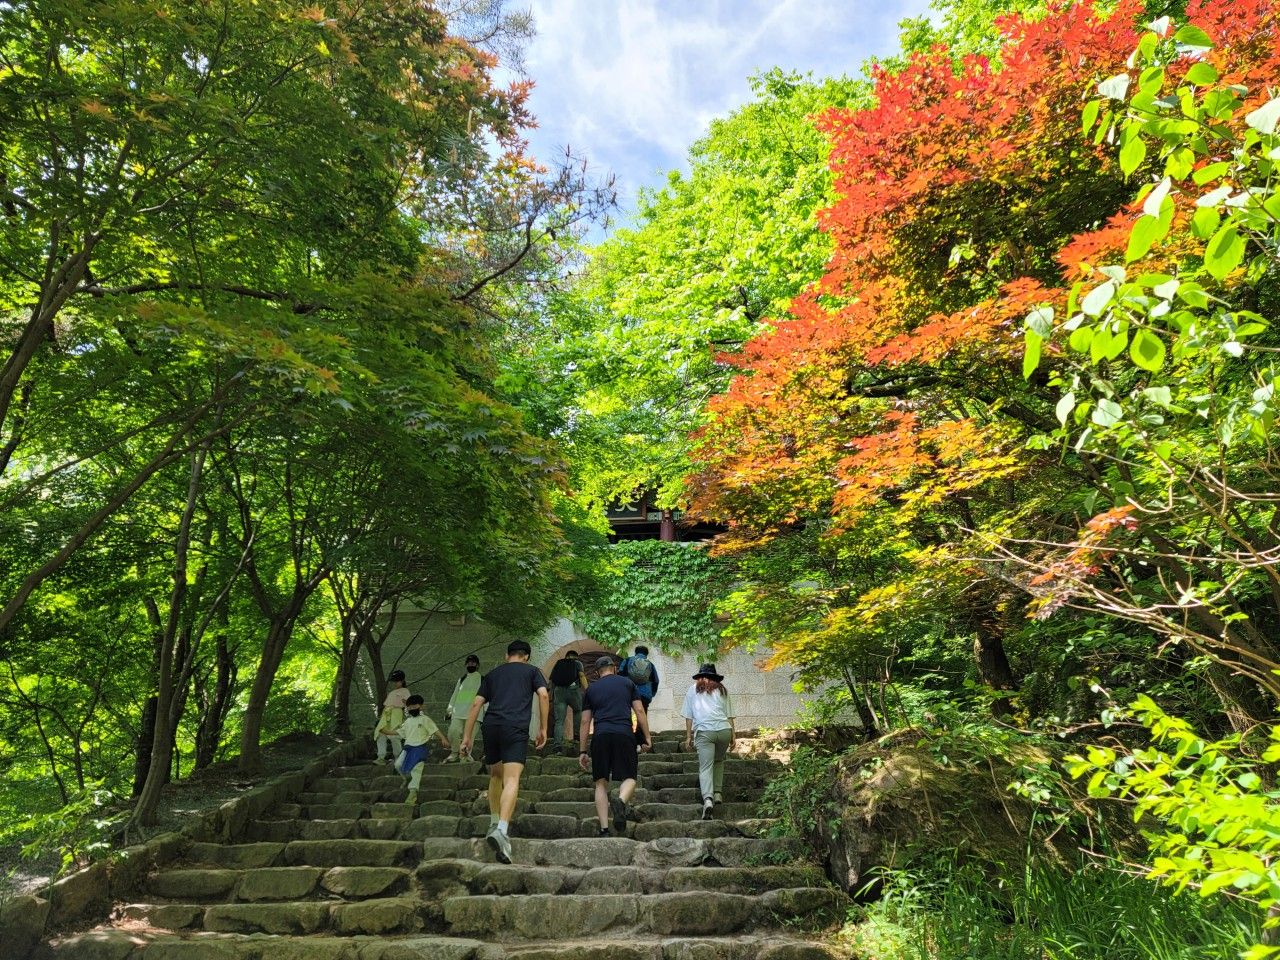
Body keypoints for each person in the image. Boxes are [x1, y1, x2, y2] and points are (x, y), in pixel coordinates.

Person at [460, 639, 549, 864]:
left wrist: (467, 736)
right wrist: (543, 728)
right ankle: (501, 829)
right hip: (514, 726)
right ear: (526, 656)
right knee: (512, 778)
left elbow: (476, 704)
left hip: (491, 727)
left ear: (506, 655)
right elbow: (544, 695)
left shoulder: (492, 674)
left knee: (496, 775)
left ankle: (493, 821)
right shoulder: (532, 671)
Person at [578, 656, 651, 835]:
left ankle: (604, 829)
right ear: (615, 668)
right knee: (630, 777)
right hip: (624, 734)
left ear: (597, 672)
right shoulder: (628, 684)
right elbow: (639, 711)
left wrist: (582, 750)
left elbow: (585, 721)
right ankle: (621, 800)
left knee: (600, 783)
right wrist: (647, 737)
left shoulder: (591, 689)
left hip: (600, 735)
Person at [681, 663, 736, 820]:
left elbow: (689, 716)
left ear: (700, 676)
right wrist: (733, 735)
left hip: (705, 731)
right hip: (724, 730)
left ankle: (708, 800)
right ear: (715, 677)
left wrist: (688, 736)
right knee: (719, 761)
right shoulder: (722, 689)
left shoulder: (692, 689)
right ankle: (717, 793)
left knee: (706, 766)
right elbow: (729, 715)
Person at [396, 694, 450, 805]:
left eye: (414, 706)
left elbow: (434, 729)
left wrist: (443, 738)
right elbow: (398, 732)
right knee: (398, 765)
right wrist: (383, 730)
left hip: (420, 748)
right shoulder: (407, 722)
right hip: (407, 748)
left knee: (416, 770)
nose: (412, 708)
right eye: (409, 707)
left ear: (420, 706)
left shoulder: (425, 719)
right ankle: (407, 778)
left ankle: (412, 794)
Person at [443, 654, 483, 762]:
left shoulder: (482, 679)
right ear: (466, 665)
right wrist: (449, 709)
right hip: (458, 712)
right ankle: (454, 752)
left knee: (469, 737)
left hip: (475, 713)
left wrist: (487, 712)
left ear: (477, 665)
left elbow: (485, 697)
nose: (471, 664)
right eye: (469, 663)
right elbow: (455, 695)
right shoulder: (462, 679)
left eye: (473, 663)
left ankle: (465, 756)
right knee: (453, 731)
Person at [618, 645, 660, 744]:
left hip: (628, 691)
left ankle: (627, 736)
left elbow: (620, 674)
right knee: (642, 715)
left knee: (626, 714)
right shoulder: (650, 664)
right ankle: (640, 740)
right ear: (646, 654)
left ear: (636, 652)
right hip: (644, 694)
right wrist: (651, 694)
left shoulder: (627, 660)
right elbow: (656, 681)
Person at [548, 650, 588, 745]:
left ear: (566, 656)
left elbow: (551, 680)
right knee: (578, 711)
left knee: (559, 720)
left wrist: (550, 695)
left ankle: (557, 744)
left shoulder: (558, 663)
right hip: (573, 690)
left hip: (559, 691)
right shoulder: (577, 663)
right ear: (576, 657)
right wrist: (588, 690)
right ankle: (577, 738)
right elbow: (581, 676)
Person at [375, 669, 410, 764]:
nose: (395, 683)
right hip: (386, 715)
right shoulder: (392, 693)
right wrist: (381, 717)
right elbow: (386, 706)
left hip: (396, 715)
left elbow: (408, 704)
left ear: (402, 681)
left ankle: (398, 758)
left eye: (397, 681)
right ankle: (381, 757)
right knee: (380, 734)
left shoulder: (405, 691)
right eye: (394, 681)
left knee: (394, 736)